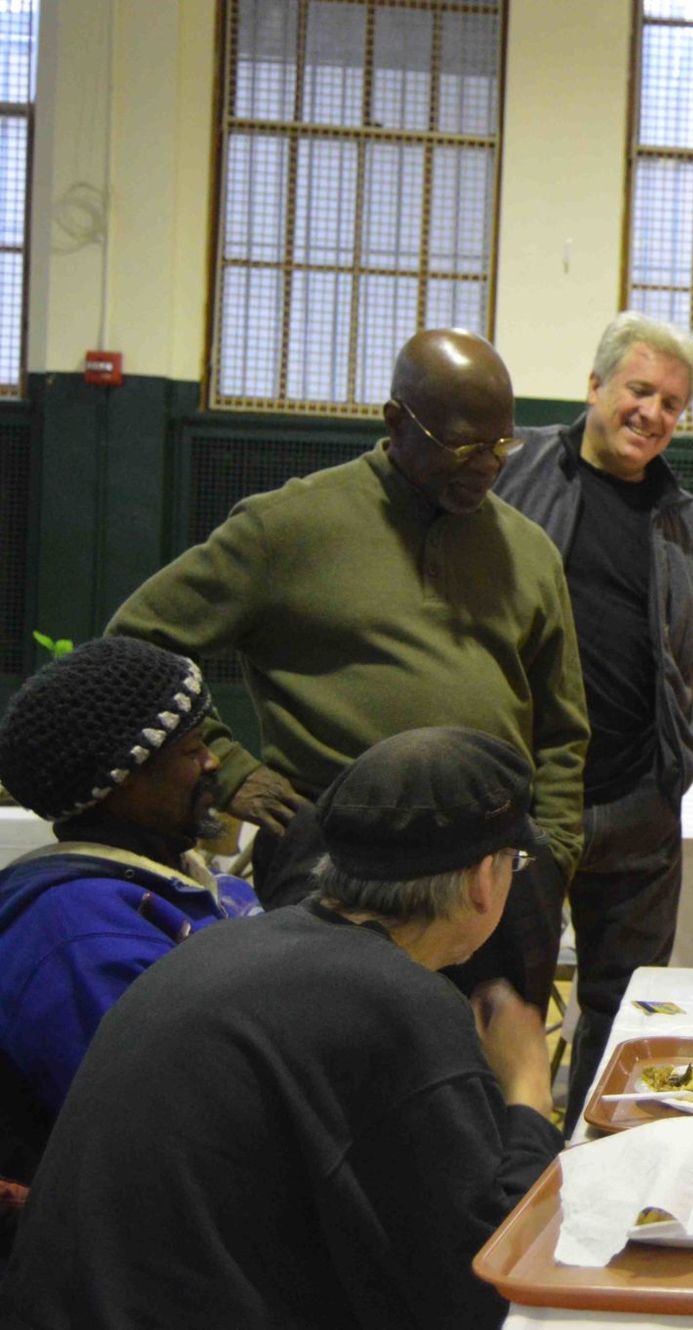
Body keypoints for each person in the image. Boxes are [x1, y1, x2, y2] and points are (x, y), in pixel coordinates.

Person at [0, 727, 566, 1328]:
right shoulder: (393, 1002)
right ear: (485, 880)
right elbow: (487, 1288)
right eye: (516, 863)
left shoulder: (240, 943)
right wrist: (527, 1094)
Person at [107, 329, 590, 1010]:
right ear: (396, 420)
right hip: (338, 857)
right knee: (336, 1073)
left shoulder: (528, 551)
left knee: (496, 1070)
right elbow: (134, 645)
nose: (485, 465)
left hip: (500, 862)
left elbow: (564, 729)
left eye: (500, 444)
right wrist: (229, 768)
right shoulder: (288, 529)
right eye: (461, 444)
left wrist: (554, 854)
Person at [494, 312, 693, 1118]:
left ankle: (594, 1159)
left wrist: (686, 754)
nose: (653, 413)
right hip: (520, 801)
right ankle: (506, 1167)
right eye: (639, 391)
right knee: (506, 999)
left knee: (626, 1007)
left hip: (638, 802)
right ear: (594, 387)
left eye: (671, 402)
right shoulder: (510, 469)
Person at [0, 639, 259, 1209]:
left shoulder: (176, 881)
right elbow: (172, 1143)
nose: (213, 763)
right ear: (126, 780)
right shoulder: (79, 939)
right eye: (192, 749)